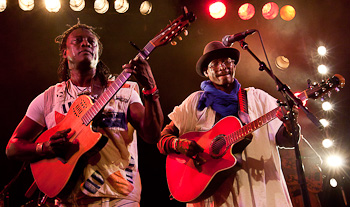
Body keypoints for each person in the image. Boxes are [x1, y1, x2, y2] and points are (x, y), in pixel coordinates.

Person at [6, 21, 163, 206]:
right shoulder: (49, 98)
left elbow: (152, 135)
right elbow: (13, 147)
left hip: (120, 197)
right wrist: (45, 147)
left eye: (91, 42)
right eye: (78, 41)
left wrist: (150, 89)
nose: (86, 44)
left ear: (98, 52)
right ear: (65, 52)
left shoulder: (126, 91)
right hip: (69, 199)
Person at [157, 41, 300, 207]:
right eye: (215, 64)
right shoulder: (195, 103)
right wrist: (179, 143)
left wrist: (291, 125)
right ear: (206, 72)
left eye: (227, 61)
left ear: (234, 66)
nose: (222, 67)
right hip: (213, 197)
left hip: (259, 191)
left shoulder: (258, 98)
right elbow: (162, 139)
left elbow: (287, 140)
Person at [279, 136, 323, 207]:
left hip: (306, 192)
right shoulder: (273, 142)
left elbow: (316, 160)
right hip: (287, 194)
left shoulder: (298, 139)